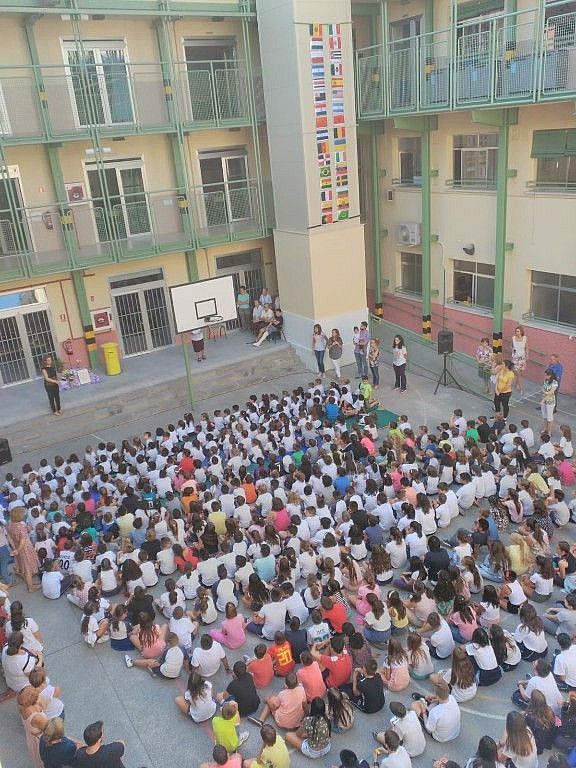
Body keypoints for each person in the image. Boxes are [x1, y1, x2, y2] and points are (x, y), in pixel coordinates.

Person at [6, 506, 40, 592]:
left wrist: (15, 549)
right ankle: (30, 587)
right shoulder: (21, 526)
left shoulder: (9, 525)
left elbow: (9, 538)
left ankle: (30, 583)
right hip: (25, 549)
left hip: (17, 549)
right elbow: (23, 540)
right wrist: (18, 549)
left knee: (23, 566)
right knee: (28, 568)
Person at [540, 370, 558, 434]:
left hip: (550, 402)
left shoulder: (554, 382)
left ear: (550, 375)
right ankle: (545, 428)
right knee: (544, 416)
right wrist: (546, 392)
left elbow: (551, 393)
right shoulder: (546, 380)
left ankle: (549, 431)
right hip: (544, 401)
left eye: (546, 375)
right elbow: (542, 388)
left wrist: (543, 400)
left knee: (549, 418)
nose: (545, 376)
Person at [511, 326, 528, 396]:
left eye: (518, 331)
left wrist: (527, 356)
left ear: (521, 332)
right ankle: (521, 389)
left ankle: (516, 384)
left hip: (522, 358)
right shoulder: (513, 338)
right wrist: (512, 354)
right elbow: (512, 347)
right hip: (516, 358)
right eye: (516, 331)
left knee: (520, 373)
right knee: (518, 374)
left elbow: (527, 348)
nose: (516, 332)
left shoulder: (525, 338)